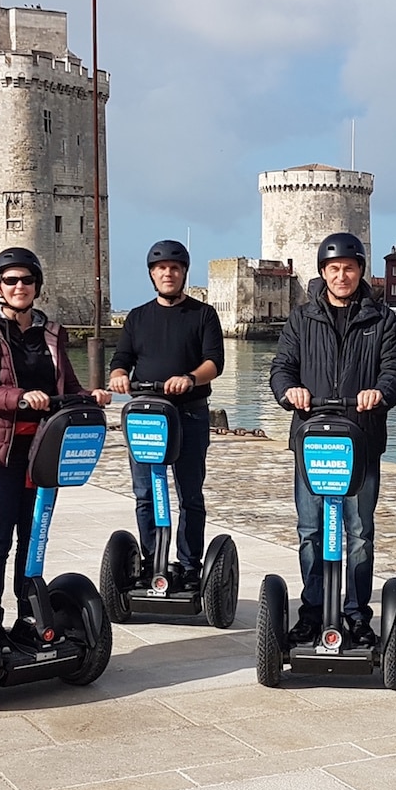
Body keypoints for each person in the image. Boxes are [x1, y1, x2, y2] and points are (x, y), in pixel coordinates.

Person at [0, 246, 111, 630]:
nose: (19, 286)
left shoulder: (51, 333)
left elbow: (68, 386)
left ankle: (28, 615)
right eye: (10, 280)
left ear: (36, 285)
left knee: (34, 536)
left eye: (27, 279)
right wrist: (21, 397)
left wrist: (90, 396)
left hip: (44, 450)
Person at [270, 231, 396, 646]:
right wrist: (289, 391)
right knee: (309, 530)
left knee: (360, 533)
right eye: (334, 269)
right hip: (312, 440)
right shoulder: (301, 318)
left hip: (361, 440)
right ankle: (312, 612)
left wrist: (379, 392)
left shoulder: (381, 320)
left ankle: (356, 614)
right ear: (323, 272)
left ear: (360, 271)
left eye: (349, 268)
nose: (342, 276)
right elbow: (282, 367)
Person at [108, 240, 224, 588]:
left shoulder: (203, 314)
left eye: (174, 268)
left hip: (189, 414)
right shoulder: (138, 317)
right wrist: (118, 375)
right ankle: (151, 561)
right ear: (152, 274)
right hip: (146, 416)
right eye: (161, 268)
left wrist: (189, 378)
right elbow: (121, 359)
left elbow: (214, 362)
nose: (168, 274)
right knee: (145, 493)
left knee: (190, 494)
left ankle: (189, 565)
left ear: (184, 273)